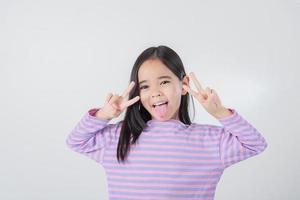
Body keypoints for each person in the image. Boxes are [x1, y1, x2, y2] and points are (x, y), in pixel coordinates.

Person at [66, 45, 268, 200]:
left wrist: (220, 112)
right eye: (145, 86)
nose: (155, 92)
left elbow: (255, 144)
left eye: (164, 82)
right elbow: (76, 141)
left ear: (183, 85)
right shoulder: (119, 137)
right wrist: (104, 114)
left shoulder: (210, 141)